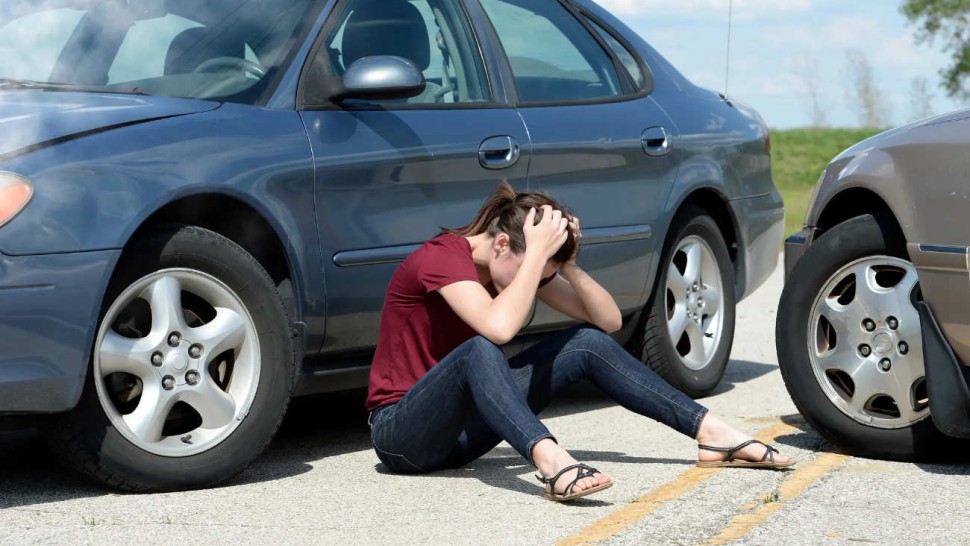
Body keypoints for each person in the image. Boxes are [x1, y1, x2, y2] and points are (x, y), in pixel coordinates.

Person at [366, 182, 793, 502]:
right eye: (531, 265)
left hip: (460, 436)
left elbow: (606, 321)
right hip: (402, 436)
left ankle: (711, 432)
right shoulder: (441, 258)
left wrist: (566, 266)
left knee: (584, 342)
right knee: (481, 349)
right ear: (500, 243)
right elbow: (497, 329)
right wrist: (534, 257)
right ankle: (550, 460)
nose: (535, 280)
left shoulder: (514, 265)